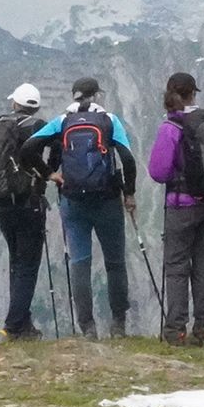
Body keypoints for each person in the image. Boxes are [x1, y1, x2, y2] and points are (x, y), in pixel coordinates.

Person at [20, 77, 138, 339]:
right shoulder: (109, 121)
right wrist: (129, 193)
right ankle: (118, 325)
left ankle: (87, 328)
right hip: (107, 200)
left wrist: (49, 174)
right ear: (97, 95)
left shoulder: (62, 122)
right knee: (115, 262)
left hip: (73, 201)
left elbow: (27, 149)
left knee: (80, 262)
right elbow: (127, 159)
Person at [147, 72, 204, 346]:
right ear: (194, 94)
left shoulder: (171, 127)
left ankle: (176, 330)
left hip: (181, 207)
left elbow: (158, 172)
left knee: (177, 268)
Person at [0, 83, 58, 341]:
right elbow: (57, 146)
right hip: (28, 202)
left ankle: (23, 325)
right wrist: (49, 172)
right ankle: (14, 326)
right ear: (35, 106)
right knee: (27, 264)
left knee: (16, 260)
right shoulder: (38, 126)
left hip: (1, 203)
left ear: (15, 103)